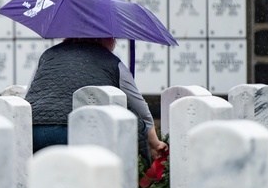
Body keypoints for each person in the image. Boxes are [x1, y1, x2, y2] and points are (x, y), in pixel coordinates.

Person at [25, 37, 168, 161]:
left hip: (34, 132)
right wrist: (154, 143)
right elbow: (140, 107)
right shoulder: (113, 62)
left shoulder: (47, 55)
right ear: (108, 37)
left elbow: (28, 93)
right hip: (75, 133)